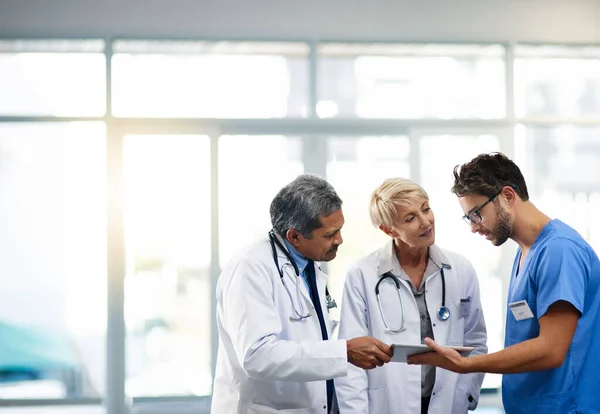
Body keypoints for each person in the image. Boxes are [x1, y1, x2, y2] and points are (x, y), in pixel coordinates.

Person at [408, 153, 600, 413]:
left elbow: (551, 349)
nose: (474, 228)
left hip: (565, 407)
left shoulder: (559, 250)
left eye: (476, 214)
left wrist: (467, 364)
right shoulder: (525, 252)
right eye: (469, 218)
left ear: (507, 196)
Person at [211, 174, 393, 414]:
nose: (340, 240)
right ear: (294, 236)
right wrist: (344, 351)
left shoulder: (309, 265)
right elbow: (257, 356)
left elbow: (309, 335)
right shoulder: (250, 268)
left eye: (340, 230)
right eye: (329, 235)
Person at [335, 177, 487, 414]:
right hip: (388, 404)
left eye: (426, 209)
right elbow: (352, 358)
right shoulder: (362, 274)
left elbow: (475, 340)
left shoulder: (460, 269)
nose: (426, 222)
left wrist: (466, 394)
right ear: (388, 229)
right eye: (410, 218)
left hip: (447, 403)